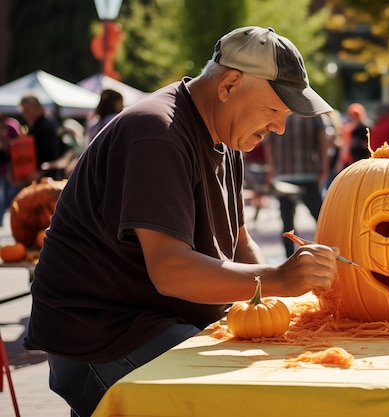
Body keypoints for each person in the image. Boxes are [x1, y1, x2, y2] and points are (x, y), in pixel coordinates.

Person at [23, 26, 338, 417]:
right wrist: (281, 279)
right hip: (103, 335)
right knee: (247, 401)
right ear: (229, 85)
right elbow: (170, 270)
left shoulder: (226, 133)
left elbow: (238, 240)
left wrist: (270, 302)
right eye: (274, 110)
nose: (279, 127)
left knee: (277, 372)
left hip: (156, 321)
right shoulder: (158, 132)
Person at [263, 113, 329, 257]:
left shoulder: (278, 110)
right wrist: (324, 166)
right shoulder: (312, 112)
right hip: (299, 174)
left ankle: (292, 259)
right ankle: (328, 253)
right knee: (321, 220)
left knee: (294, 222)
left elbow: (268, 141)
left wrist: (271, 169)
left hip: (293, 175)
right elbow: (323, 139)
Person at [18, 95, 69, 180]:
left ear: (37, 108)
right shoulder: (34, 128)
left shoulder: (48, 127)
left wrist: (41, 170)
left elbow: (59, 156)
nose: (24, 114)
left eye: (27, 110)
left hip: (51, 179)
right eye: (23, 111)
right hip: (38, 179)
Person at [0, 112, 22, 222]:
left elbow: (20, 145)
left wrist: (8, 146)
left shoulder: (11, 126)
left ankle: (13, 218)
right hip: (2, 169)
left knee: (12, 196)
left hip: (14, 168)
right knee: (2, 197)